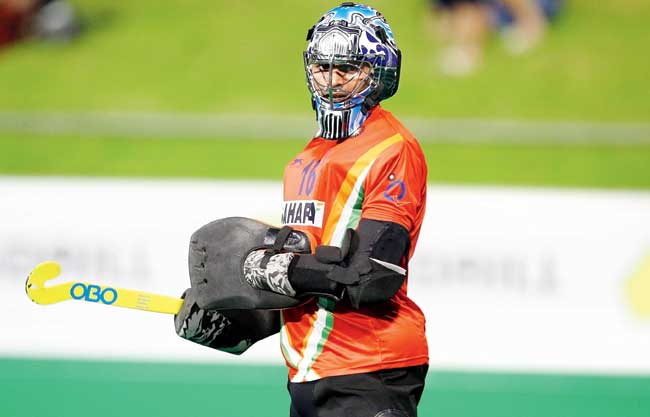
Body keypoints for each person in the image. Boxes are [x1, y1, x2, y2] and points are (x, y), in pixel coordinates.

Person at [174, 3, 429, 417]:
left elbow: (370, 279)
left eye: (347, 68)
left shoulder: (392, 149)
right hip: (308, 374)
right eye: (322, 67)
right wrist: (240, 318)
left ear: (378, 73)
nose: (331, 82)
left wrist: (274, 268)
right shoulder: (303, 161)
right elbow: (309, 285)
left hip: (369, 367)